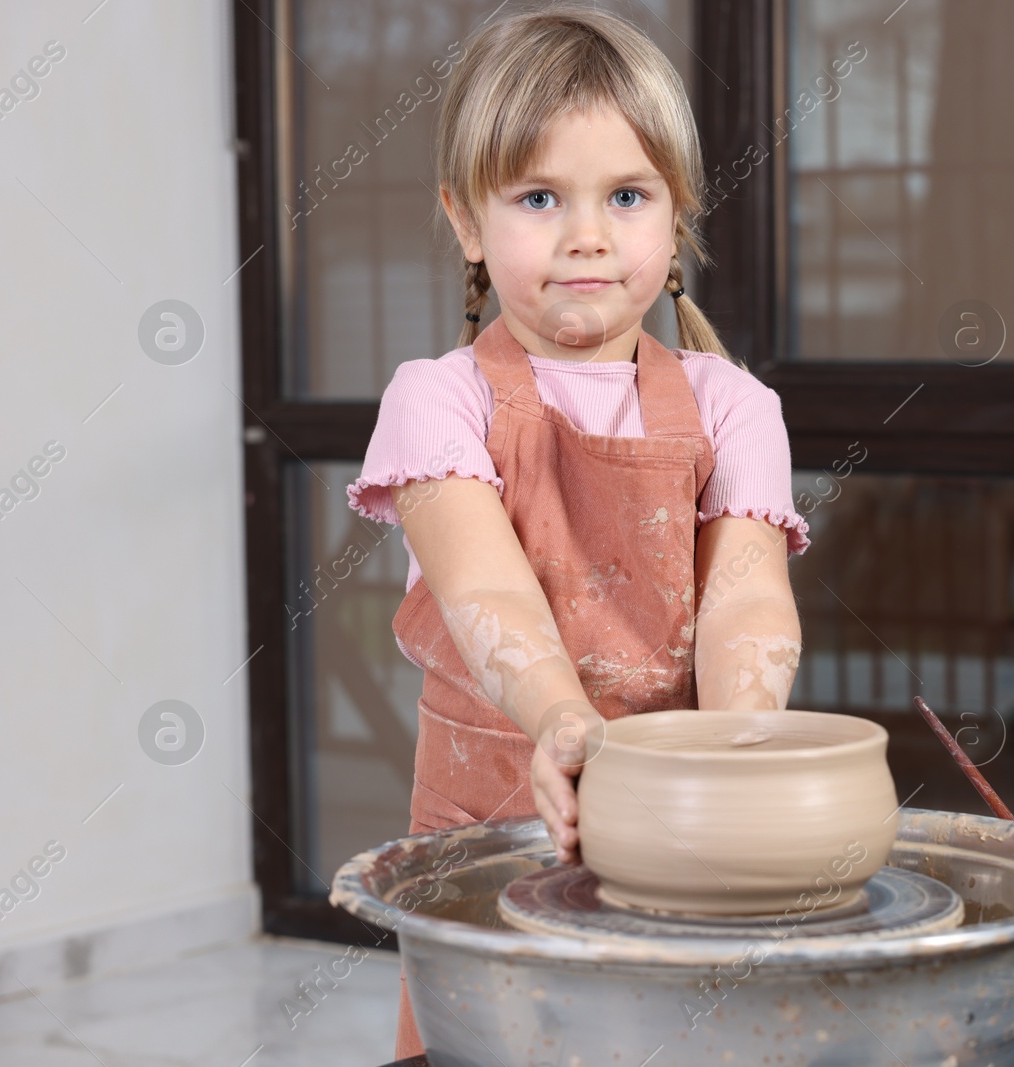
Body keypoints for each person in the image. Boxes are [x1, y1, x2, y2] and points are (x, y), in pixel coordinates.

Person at [344, 4, 809, 1057]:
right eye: (539, 196)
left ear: (677, 215)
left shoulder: (733, 406)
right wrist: (562, 720)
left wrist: (741, 748)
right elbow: (489, 595)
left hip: (676, 833)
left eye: (627, 196)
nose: (586, 234)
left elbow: (745, 596)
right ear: (466, 219)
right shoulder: (439, 403)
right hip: (488, 833)